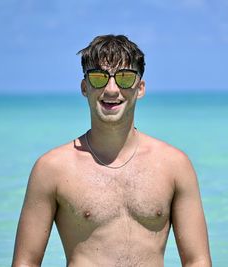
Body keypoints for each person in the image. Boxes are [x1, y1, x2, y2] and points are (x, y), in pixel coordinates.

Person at [12, 34, 211, 266]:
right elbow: (25, 262)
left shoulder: (174, 165)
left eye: (125, 78)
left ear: (141, 88)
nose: (112, 89)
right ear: (85, 87)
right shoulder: (52, 169)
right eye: (99, 78)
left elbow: (197, 260)